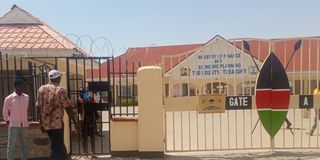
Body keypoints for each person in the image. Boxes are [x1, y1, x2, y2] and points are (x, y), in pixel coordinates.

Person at [37, 70, 78, 160]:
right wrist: (75, 122)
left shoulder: (41, 89)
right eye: (60, 77)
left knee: (58, 144)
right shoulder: (60, 90)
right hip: (57, 124)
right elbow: (68, 107)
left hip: (46, 124)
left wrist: (41, 122)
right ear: (58, 78)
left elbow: (39, 106)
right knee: (56, 148)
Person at [2, 78, 29, 160]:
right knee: (11, 146)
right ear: (17, 86)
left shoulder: (26, 97)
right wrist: (7, 120)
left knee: (24, 145)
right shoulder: (9, 98)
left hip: (24, 125)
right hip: (13, 125)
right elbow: (5, 111)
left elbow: (25, 110)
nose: (24, 87)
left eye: (25, 85)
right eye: (23, 85)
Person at [78, 89, 97, 155]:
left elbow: (95, 108)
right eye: (81, 93)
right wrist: (82, 104)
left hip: (91, 120)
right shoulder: (79, 101)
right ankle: (85, 152)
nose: (83, 95)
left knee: (92, 136)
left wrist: (91, 101)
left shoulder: (90, 99)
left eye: (84, 93)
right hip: (83, 121)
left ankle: (93, 152)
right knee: (84, 137)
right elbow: (79, 111)